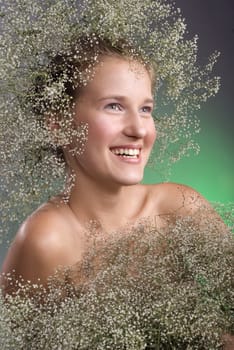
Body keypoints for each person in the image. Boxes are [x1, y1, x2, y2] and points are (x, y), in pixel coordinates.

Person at [0, 37, 227, 294]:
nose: (139, 129)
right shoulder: (46, 240)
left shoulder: (180, 208)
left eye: (145, 109)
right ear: (58, 125)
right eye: (114, 106)